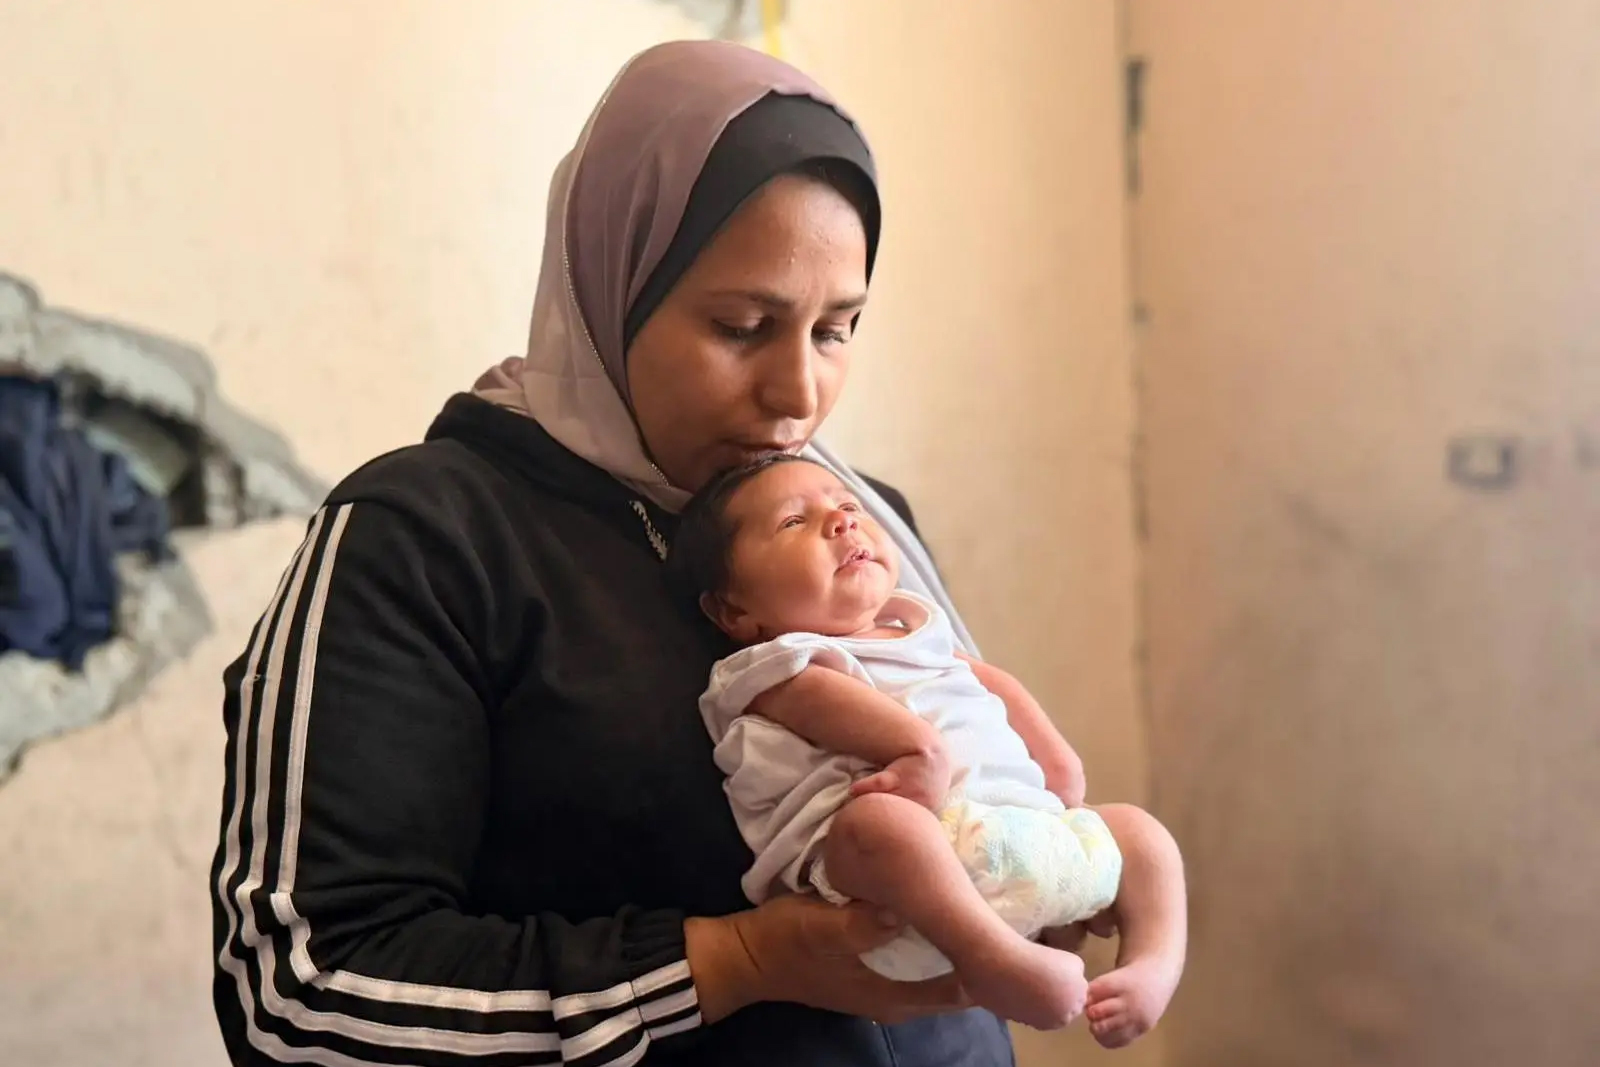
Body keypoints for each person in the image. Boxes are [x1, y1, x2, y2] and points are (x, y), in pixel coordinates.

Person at [209, 38, 1034, 1067]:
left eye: (836, 329)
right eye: (742, 325)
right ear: (613, 286)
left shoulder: (862, 520)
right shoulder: (423, 538)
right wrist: (734, 961)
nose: (798, 395)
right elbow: (299, 990)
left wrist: (1046, 865)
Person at [671, 453, 1187, 1047]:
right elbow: (823, 703)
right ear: (736, 610)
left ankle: (1153, 962)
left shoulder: (916, 630)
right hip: (895, 901)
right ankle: (993, 959)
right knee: (879, 822)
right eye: (793, 522)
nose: (841, 523)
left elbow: (990, 682)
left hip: (1020, 839)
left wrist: (1060, 766)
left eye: (847, 506)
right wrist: (918, 749)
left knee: (1137, 830)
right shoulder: (771, 668)